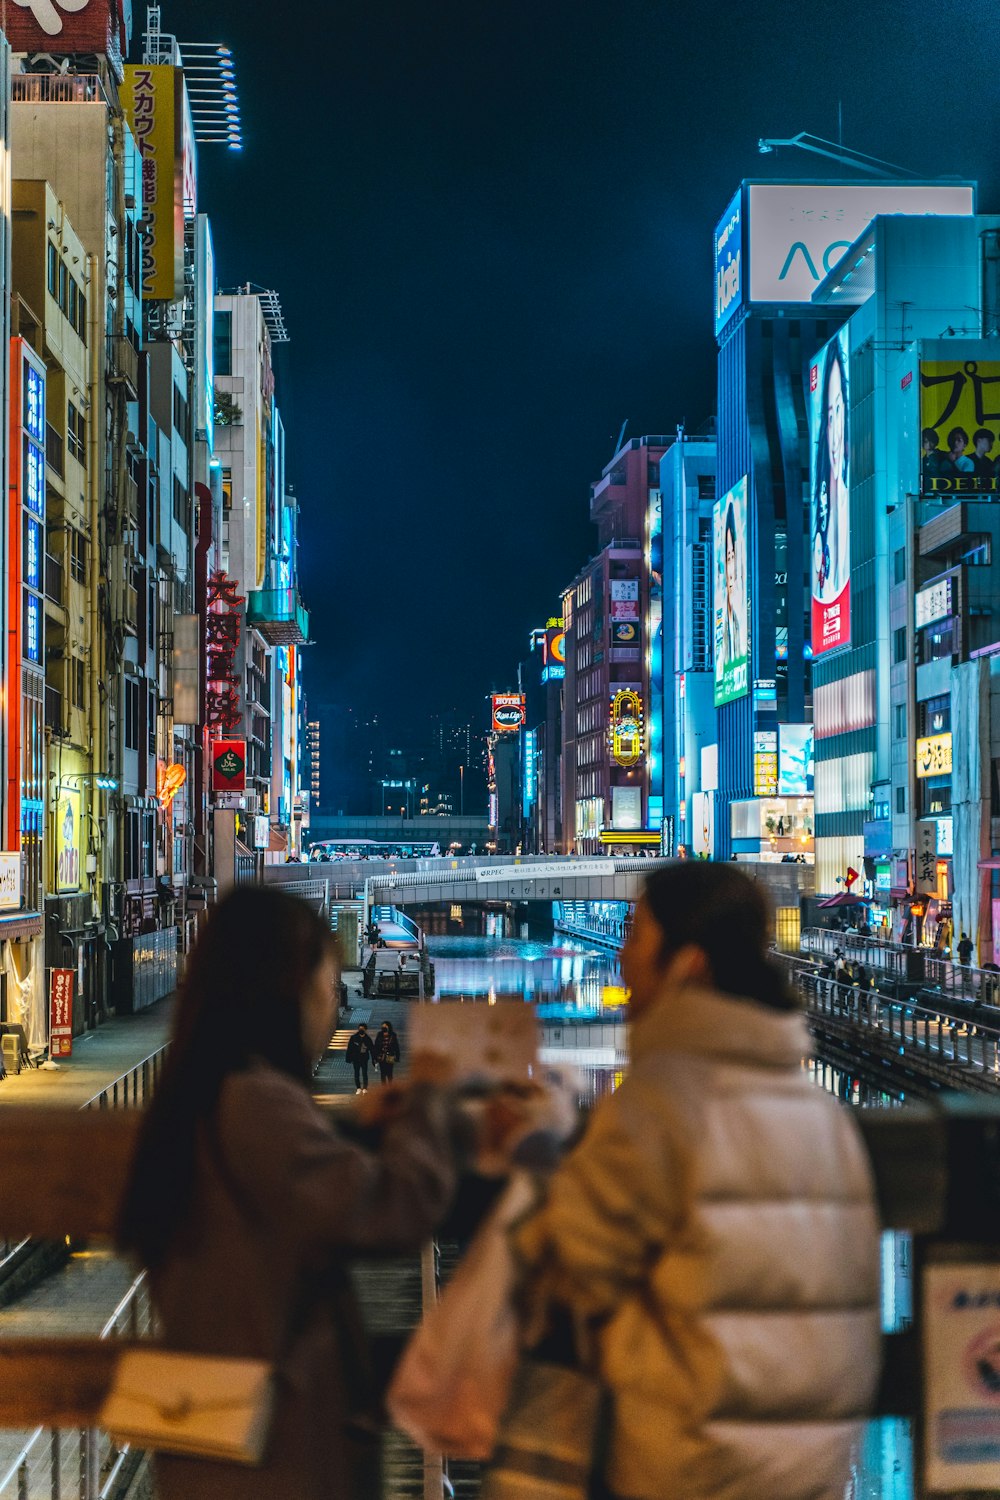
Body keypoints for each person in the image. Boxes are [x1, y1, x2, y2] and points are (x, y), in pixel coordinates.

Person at [513, 864, 880, 1500]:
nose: (622, 957)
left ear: (686, 965)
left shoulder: (659, 1104)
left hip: (682, 1465)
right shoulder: (822, 1112)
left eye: (635, 936)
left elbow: (569, 1264)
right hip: (812, 1467)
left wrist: (534, 1149)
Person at [117, 886, 463, 1500]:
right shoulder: (256, 1104)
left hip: (216, 1438)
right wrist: (427, 1103)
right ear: (284, 989)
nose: (333, 1007)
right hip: (269, 1448)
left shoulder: (199, 1098)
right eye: (328, 987)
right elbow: (389, 1208)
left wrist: (353, 1121)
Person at [813, 337, 850, 605]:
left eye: (840, 409)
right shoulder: (820, 516)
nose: (835, 429)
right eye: (829, 416)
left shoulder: (857, 502)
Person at [346, 1022, 375, 1093]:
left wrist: (374, 1059)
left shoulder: (367, 1039)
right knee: (356, 1073)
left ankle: (365, 1088)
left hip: (364, 1058)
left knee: (364, 1073)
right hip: (355, 1058)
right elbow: (350, 1048)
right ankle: (358, 1088)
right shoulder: (353, 1038)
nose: (361, 1030)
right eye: (360, 1029)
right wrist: (348, 1058)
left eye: (362, 1029)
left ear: (365, 1030)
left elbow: (372, 1049)